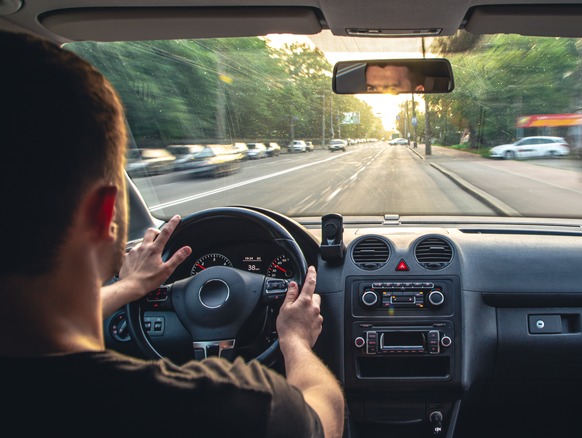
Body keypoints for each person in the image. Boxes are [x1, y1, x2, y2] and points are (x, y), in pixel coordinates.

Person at [0, 30, 344, 436]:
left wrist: (129, 289)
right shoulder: (236, 410)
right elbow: (326, 416)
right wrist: (295, 340)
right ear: (105, 215)